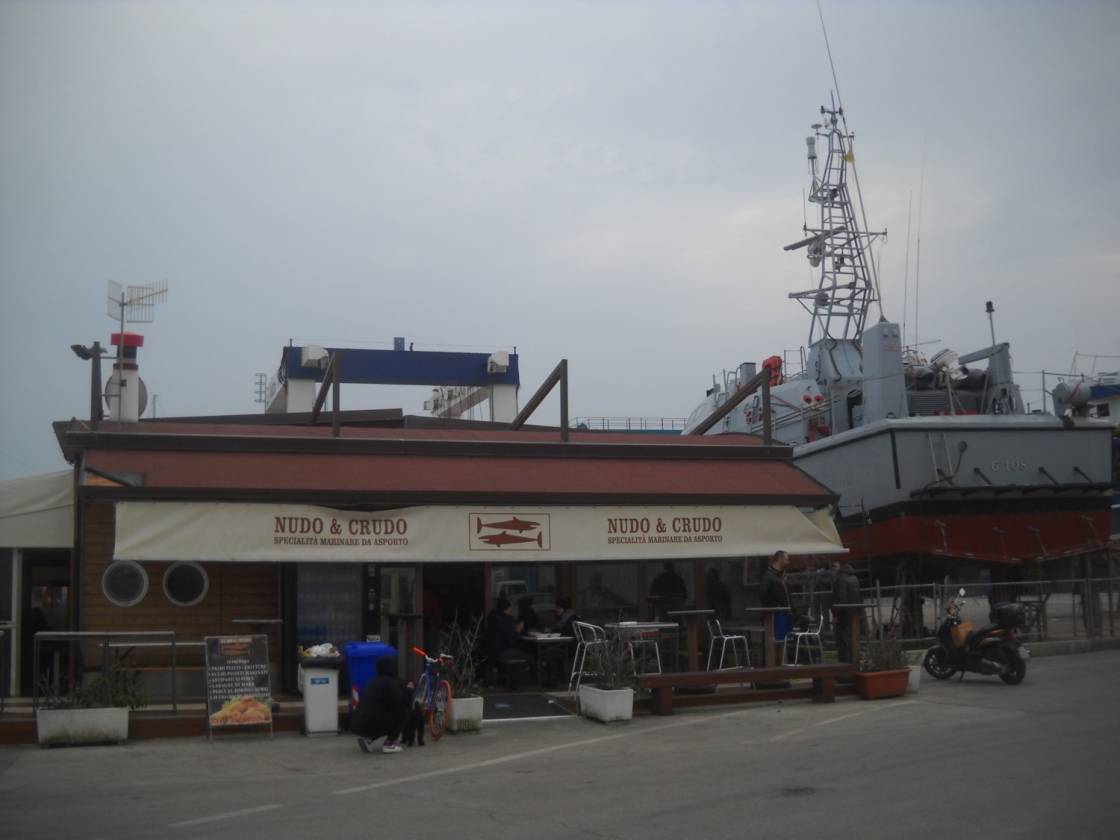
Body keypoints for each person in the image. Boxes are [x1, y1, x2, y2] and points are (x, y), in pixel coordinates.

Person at [351, 654, 405, 754]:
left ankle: (368, 739)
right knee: (402, 713)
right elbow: (397, 705)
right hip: (371, 722)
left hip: (357, 723)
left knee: (380, 716)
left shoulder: (373, 682)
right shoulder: (391, 683)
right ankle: (389, 744)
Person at [486, 597, 528, 689]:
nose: (512, 610)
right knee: (529, 656)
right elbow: (511, 640)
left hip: (491, 651)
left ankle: (508, 678)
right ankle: (516, 681)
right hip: (501, 651)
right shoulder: (505, 620)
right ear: (507, 609)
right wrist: (518, 631)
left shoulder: (492, 617)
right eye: (510, 608)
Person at [830, 559, 862, 663]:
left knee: (842, 641)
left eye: (834, 567)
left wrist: (836, 615)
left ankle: (844, 666)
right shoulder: (854, 577)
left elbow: (841, 599)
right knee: (852, 639)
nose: (832, 570)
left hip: (843, 615)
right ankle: (854, 662)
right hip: (854, 613)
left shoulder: (840, 579)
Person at [760, 550, 795, 642]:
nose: (788, 562)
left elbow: (787, 594)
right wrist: (776, 605)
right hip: (777, 614)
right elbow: (763, 594)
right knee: (777, 641)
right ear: (780, 559)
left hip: (787, 613)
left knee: (787, 641)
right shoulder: (769, 575)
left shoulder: (782, 575)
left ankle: (784, 656)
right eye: (786, 559)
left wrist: (793, 609)